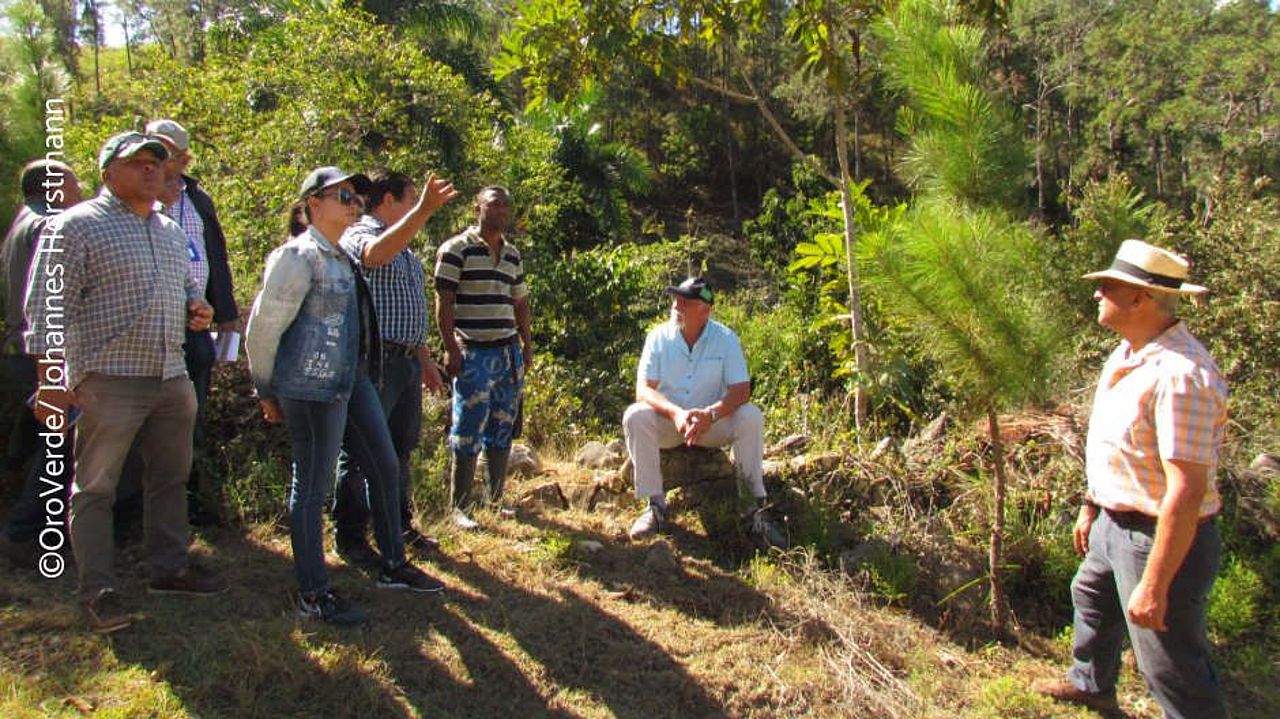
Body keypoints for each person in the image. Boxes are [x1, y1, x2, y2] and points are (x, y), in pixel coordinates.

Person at [23, 131, 227, 633]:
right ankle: (99, 591)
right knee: (95, 487)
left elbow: (185, 295)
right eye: (137, 163)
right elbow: (45, 311)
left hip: (170, 374)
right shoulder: (75, 226)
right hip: (107, 379)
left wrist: (196, 311)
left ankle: (169, 569)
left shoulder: (167, 230)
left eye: (156, 163)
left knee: (170, 478)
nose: (151, 170)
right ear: (108, 172)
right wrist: (52, 382)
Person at [1036, 240, 1228, 718]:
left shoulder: (1182, 375)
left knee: (1168, 661)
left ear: (1142, 297)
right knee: (1090, 597)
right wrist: (1091, 504)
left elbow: (1186, 490)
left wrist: (1155, 583)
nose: (1097, 293)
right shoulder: (1128, 354)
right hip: (1113, 520)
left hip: (1157, 536)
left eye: (1108, 286)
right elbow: (1113, 444)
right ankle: (1092, 684)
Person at [246, 166, 445, 628]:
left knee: (386, 463)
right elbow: (263, 327)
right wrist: (265, 387)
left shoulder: (340, 257)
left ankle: (393, 565)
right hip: (311, 387)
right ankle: (313, 592)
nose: (354, 203)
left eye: (357, 197)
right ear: (312, 204)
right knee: (312, 488)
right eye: (343, 196)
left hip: (351, 379)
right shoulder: (296, 257)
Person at [333, 169, 457, 565]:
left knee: (400, 449)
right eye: (408, 200)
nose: (413, 209)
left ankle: (398, 526)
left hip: (404, 362)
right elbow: (373, 256)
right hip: (374, 362)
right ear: (387, 201)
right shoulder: (359, 232)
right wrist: (424, 210)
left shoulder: (404, 248)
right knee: (359, 451)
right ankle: (350, 536)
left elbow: (408, 308)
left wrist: (424, 360)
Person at [622, 277, 785, 547]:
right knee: (635, 415)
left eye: (685, 301)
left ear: (705, 310)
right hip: (671, 423)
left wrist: (710, 414)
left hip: (712, 425)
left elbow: (741, 390)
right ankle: (655, 507)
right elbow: (644, 390)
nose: (677, 305)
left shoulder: (725, 339)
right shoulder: (658, 338)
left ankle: (751, 509)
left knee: (751, 416)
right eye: (676, 299)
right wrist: (676, 414)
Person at [146, 119, 238, 524]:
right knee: (144, 419)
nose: (165, 160)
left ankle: (191, 503)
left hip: (197, 324)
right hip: (148, 328)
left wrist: (227, 312)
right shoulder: (134, 196)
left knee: (192, 415)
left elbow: (214, 253)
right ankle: (137, 510)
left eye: (173, 152)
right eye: (157, 150)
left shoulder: (197, 197)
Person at [434, 186, 532, 529]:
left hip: (507, 352)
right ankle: (459, 505)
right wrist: (450, 347)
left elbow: (519, 303)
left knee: (503, 424)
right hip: (473, 352)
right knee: (467, 427)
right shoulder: (456, 249)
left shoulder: (512, 254)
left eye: (506, 204)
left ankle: (496, 498)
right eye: (494, 204)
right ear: (478, 207)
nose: (501, 210)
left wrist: (526, 346)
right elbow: (444, 303)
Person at [0, 159, 81, 569]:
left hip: (19, 354)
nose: (80, 189)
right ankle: (21, 532)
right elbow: (51, 308)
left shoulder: (20, 223)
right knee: (60, 449)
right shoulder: (50, 227)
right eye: (73, 181)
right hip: (44, 360)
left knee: (40, 449)